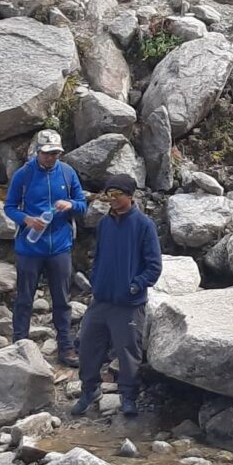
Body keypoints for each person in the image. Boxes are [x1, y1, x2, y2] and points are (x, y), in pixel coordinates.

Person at [77, 172, 161, 421]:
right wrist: (96, 281)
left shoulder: (144, 225)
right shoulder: (104, 223)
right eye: (108, 194)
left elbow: (154, 266)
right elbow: (98, 257)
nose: (112, 199)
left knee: (128, 353)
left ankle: (128, 396)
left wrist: (135, 286)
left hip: (129, 304)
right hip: (101, 301)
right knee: (87, 346)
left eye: (117, 194)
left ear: (130, 196)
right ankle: (89, 390)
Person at [5, 128, 86, 363]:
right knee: (24, 299)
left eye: (55, 153)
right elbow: (9, 207)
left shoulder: (67, 173)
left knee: (62, 300)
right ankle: (19, 346)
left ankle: (66, 348)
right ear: (37, 151)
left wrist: (70, 205)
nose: (51, 158)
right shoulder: (24, 175)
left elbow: (82, 204)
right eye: (47, 153)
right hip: (29, 248)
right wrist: (27, 220)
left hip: (60, 247)